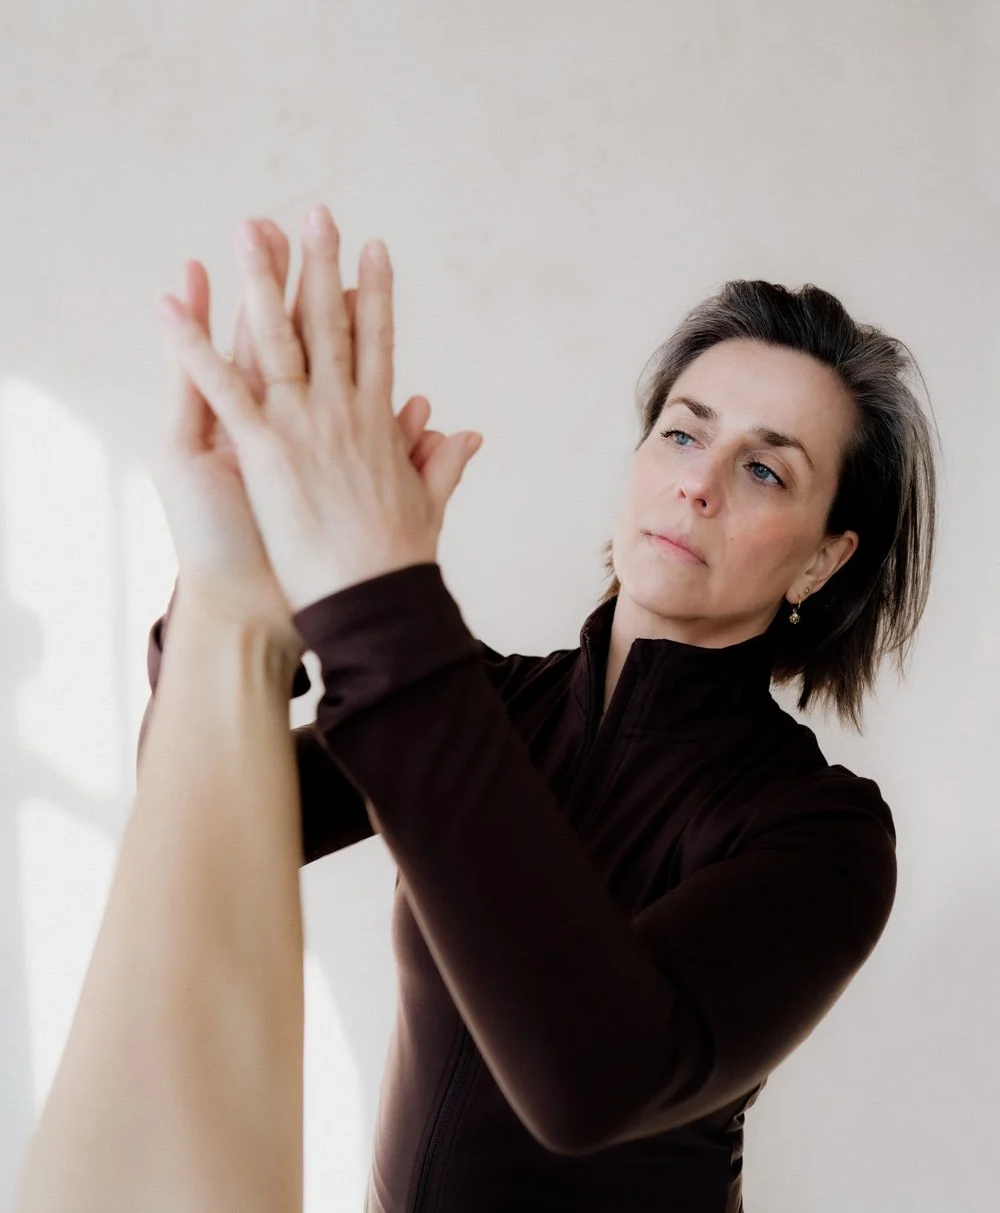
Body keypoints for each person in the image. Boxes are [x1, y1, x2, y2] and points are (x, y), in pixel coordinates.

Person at [15, 205, 938, 1212]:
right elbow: (201, 819)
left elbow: (593, 1080)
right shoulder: (484, 704)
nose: (697, 487)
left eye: (764, 469)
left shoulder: (823, 833)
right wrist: (233, 578)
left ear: (822, 556)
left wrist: (377, 593)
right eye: (682, 433)